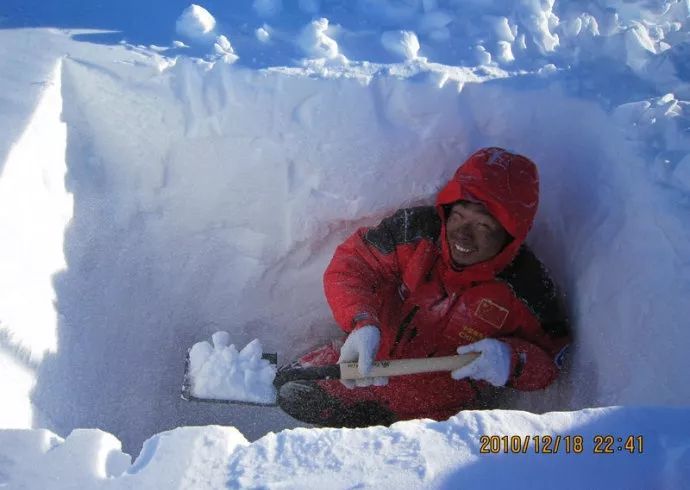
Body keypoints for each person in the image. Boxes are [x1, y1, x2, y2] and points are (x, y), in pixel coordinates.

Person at [277, 147, 571, 427]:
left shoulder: (528, 289)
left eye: (483, 226)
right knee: (286, 388)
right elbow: (353, 265)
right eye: (459, 216)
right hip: (369, 363)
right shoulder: (414, 232)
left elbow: (551, 359)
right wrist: (361, 324)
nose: (464, 236)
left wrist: (510, 361)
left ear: (511, 235)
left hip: (438, 412)